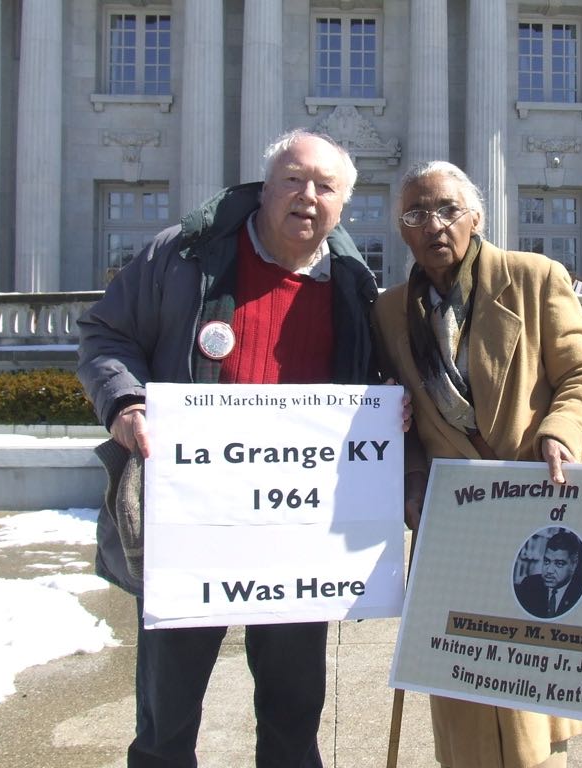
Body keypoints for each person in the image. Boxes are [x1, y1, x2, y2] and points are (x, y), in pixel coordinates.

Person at [77, 129, 381, 768]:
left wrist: (390, 406)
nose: (307, 196)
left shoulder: (353, 283)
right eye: (293, 179)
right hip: (192, 520)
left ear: (343, 205)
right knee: (169, 710)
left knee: (295, 713)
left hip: (298, 525)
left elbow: (368, 378)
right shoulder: (185, 256)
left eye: (325, 187)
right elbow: (105, 332)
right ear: (264, 188)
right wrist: (125, 403)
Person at [373, 160, 582, 768]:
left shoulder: (533, 279)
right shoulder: (390, 311)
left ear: (476, 217)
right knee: (464, 701)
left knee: (535, 688)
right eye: (416, 214)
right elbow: (389, 413)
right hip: (452, 520)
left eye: (447, 210)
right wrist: (410, 478)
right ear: (402, 230)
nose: (434, 225)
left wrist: (561, 432)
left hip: (531, 506)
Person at [515, 530, 582, 619]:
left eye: (559, 564)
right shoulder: (529, 585)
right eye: (546, 561)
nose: (549, 570)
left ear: (574, 565)